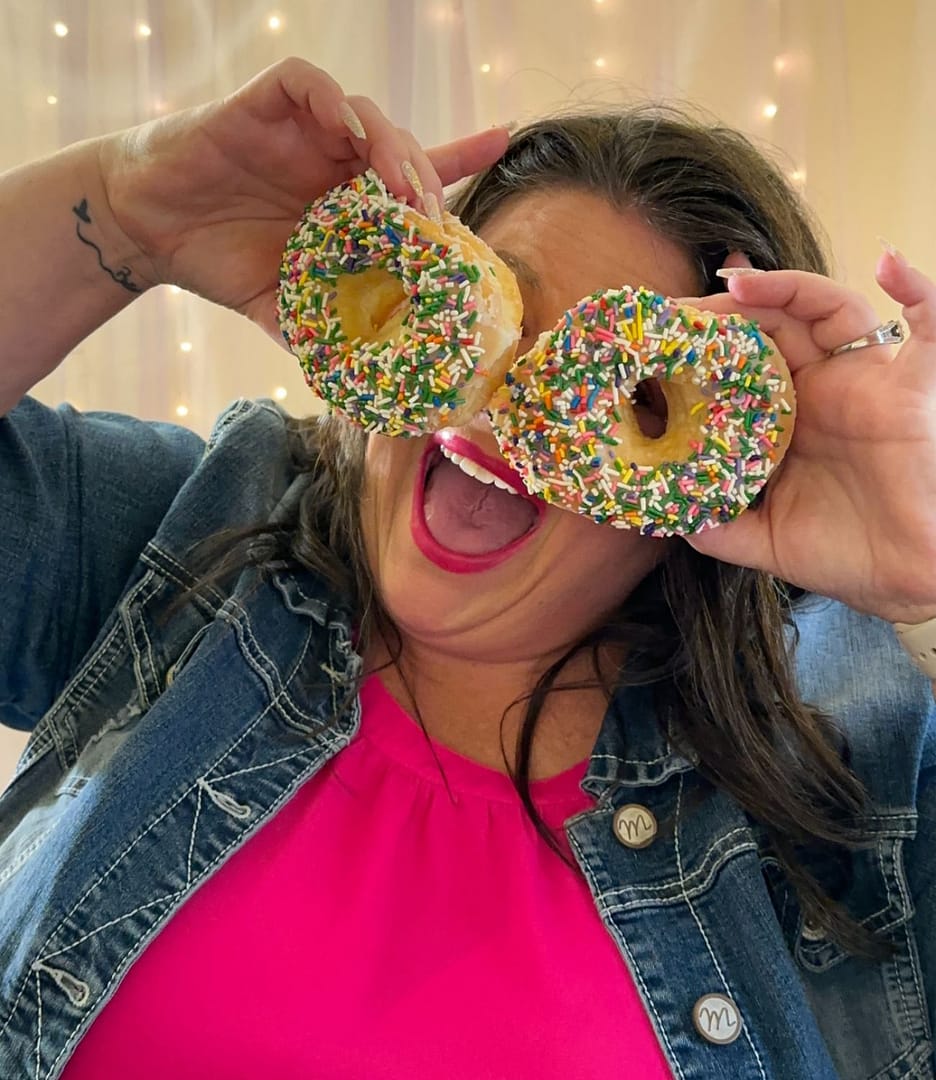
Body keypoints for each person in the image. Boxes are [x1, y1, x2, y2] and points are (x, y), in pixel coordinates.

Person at [0, 56, 933, 1080]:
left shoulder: (849, 760)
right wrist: (123, 211)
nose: (502, 414)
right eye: (493, 325)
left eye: (620, 395)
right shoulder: (200, 527)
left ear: (706, 481)